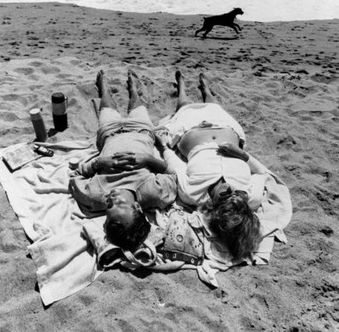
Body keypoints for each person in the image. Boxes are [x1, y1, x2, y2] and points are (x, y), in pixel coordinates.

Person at [156, 71, 266, 259]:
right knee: (214, 105)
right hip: (227, 128)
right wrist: (242, 155)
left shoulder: (193, 194)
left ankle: (181, 86)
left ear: (213, 207)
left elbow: (176, 167)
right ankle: (205, 88)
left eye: (224, 195)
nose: (230, 187)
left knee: (184, 105)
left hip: (191, 129)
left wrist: (163, 146)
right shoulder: (252, 198)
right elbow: (261, 173)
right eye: (236, 194)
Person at [70, 70, 177, 252]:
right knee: (136, 104)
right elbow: (172, 175)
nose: (111, 199)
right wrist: (148, 159)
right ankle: (133, 88)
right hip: (141, 132)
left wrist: (99, 163)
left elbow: (76, 175)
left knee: (107, 106)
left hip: (110, 134)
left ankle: (103, 86)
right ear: (137, 207)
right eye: (119, 203)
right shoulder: (153, 194)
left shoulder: (95, 196)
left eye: (109, 206)